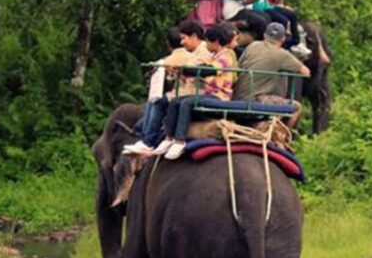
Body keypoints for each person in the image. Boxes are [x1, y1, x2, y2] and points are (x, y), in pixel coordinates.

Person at [160, 22, 241, 160]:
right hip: (209, 94)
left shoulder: (226, 56)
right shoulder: (215, 55)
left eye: (208, 42)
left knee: (187, 103)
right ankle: (168, 137)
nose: (206, 45)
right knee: (176, 101)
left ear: (215, 42)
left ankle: (180, 140)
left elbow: (210, 70)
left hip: (219, 96)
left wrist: (185, 70)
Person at [124, 21, 207, 155]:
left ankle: (149, 140)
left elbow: (195, 70)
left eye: (184, 38)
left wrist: (177, 69)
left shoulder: (203, 50)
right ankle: (146, 139)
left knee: (159, 101)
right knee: (156, 100)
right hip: (188, 88)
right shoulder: (194, 51)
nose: (182, 43)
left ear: (194, 36)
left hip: (197, 91)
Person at [234, 22, 311, 128]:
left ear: (265, 35)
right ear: (283, 39)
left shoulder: (253, 45)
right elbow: (306, 72)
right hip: (256, 99)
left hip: (237, 96)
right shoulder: (282, 54)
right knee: (296, 107)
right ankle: (284, 137)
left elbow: (240, 65)